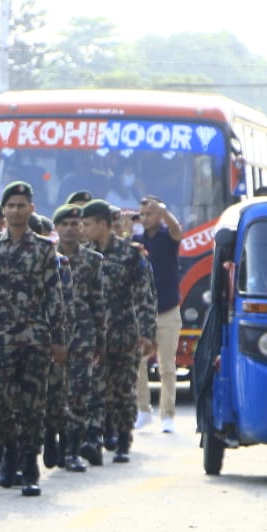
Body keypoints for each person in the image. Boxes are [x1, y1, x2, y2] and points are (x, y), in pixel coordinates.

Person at [0, 181, 66, 496]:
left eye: (21, 205)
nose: (16, 210)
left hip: (35, 336)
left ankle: (30, 465)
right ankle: (7, 459)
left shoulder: (45, 248)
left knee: (33, 403)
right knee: (0, 401)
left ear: (31, 209)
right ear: (4, 211)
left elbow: (54, 296)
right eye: (11, 205)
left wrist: (58, 338)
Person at [80, 199, 156, 463]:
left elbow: (144, 296)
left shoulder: (130, 254)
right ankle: (94, 437)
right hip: (93, 335)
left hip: (124, 333)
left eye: (87, 224)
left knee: (123, 388)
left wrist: (147, 333)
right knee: (93, 387)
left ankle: (123, 439)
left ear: (103, 224)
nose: (83, 229)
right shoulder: (83, 254)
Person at [52, 204, 107, 471]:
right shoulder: (46, 257)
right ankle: (55, 444)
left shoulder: (93, 260)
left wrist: (101, 340)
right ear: (56, 228)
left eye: (76, 224)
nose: (70, 229)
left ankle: (73, 449)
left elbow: (98, 301)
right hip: (51, 333)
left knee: (78, 392)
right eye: (64, 224)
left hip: (83, 333)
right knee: (53, 391)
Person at [133, 195, 183, 433]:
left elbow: (176, 229)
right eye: (142, 214)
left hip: (168, 310)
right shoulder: (137, 241)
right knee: (138, 363)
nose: (145, 218)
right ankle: (143, 410)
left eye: (149, 213)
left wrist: (163, 211)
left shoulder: (167, 237)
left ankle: (168, 415)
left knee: (167, 365)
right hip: (142, 311)